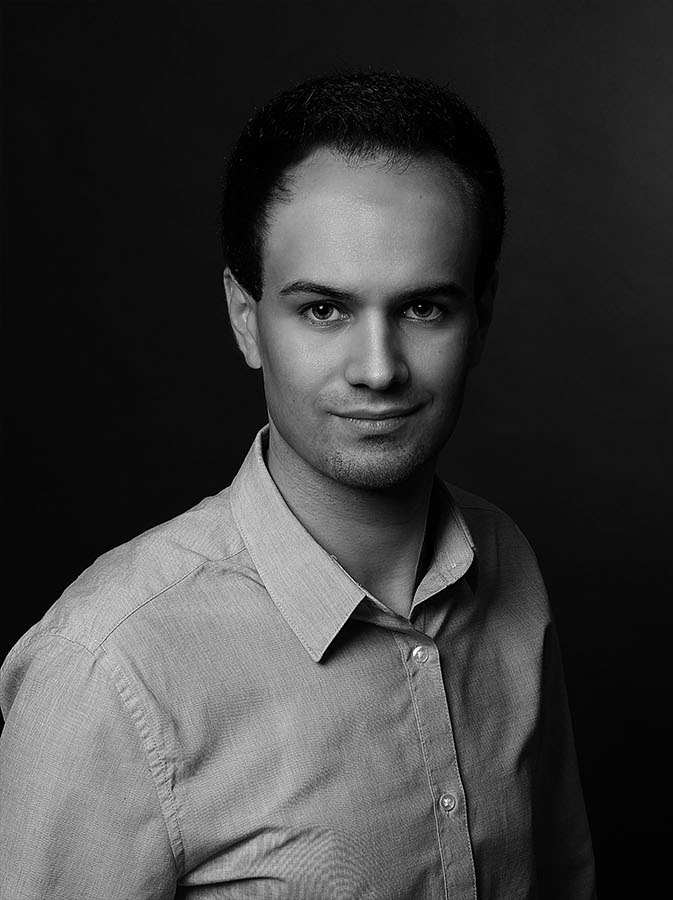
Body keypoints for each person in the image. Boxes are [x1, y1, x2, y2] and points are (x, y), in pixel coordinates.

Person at [0, 71, 596, 899]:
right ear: (246, 319)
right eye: (324, 310)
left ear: (482, 318)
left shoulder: (509, 564)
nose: (379, 369)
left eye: (424, 309)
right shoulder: (109, 670)